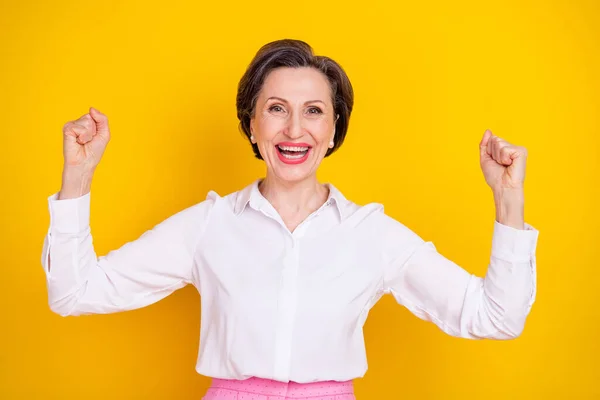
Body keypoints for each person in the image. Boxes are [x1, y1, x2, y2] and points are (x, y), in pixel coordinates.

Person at [41, 39, 540, 400]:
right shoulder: (208, 225)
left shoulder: (373, 234)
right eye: (276, 109)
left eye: (314, 111)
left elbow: (496, 317)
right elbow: (75, 292)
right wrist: (78, 176)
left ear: (333, 128)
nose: (294, 129)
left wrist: (507, 200)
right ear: (252, 126)